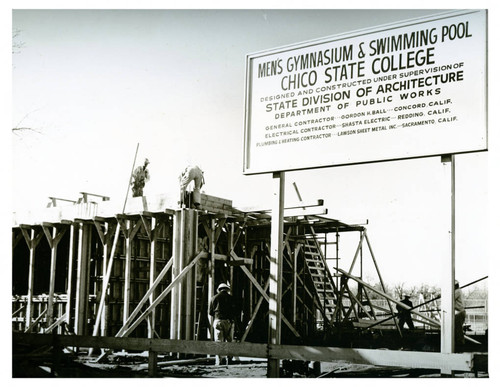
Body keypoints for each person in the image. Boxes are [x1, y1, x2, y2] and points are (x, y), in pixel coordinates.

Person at [209, 283, 236, 365]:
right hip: (228, 321)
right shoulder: (231, 298)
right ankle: (229, 360)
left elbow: (210, 312)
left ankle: (219, 361)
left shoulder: (214, 298)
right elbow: (234, 311)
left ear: (219, 289)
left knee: (218, 341)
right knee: (229, 340)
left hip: (218, 320)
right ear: (227, 289)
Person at [454, 280, 466, 347]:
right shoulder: (457, 291)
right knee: (457, 329)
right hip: (459, 312)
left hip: (459, 313)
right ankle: (459, 344)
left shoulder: (457, 291)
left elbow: (450, 297)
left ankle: (460, 344)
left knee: (458, 330)